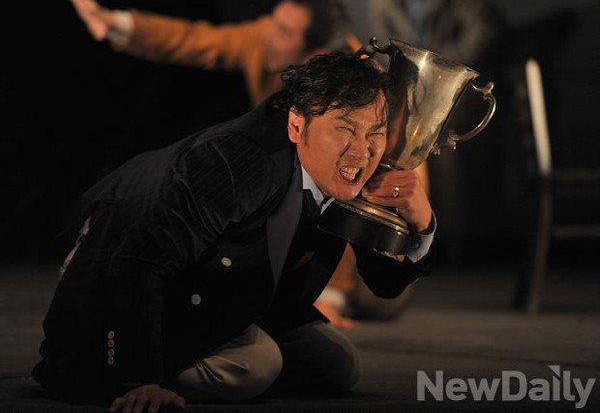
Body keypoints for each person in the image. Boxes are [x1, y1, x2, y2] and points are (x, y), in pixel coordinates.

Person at [33, 51, 435, 411]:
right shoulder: (238, 161)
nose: (361, 151)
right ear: (297, 124)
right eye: (345, 129)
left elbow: (383, 284)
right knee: (257, 364)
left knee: (335, 365)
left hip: (229, 296)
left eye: (375, 133)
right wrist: (140, 380)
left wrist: (422, 222)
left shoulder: (354, 169)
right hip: (121, 283)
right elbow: (140, 261)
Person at [58, 0, 429, 327]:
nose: (268, 38)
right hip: (278, 217)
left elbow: (365, 187)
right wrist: (115, 23)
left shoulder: (365, 96)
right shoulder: (263, 48)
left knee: (367, 311)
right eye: (274, 24)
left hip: (354, 247)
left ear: (315, 53)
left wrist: (334, 291)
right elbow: (195, 39)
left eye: (284, 33)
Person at [367, 0, 499, 266]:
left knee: (445, 158)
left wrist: (441, 71)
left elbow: (481, 30)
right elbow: (383, 31)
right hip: (405, 84)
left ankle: (447, 241)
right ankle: (397, 234)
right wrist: (408, 70)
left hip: (450, 88)